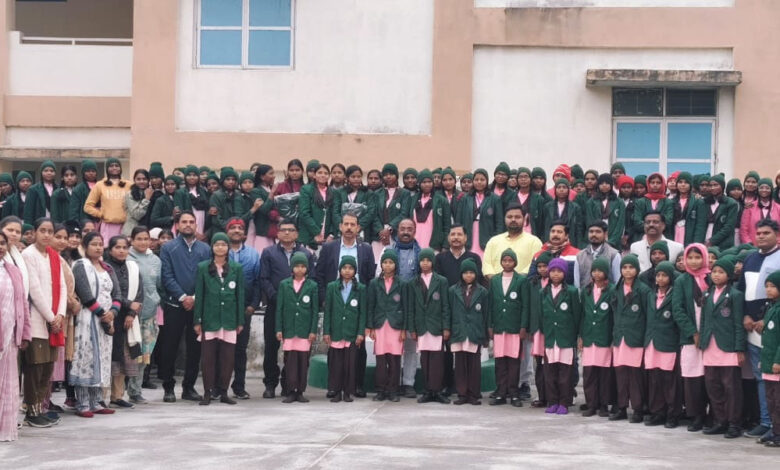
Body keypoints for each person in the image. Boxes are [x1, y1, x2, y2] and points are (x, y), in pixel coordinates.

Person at [316, 212, 375, 398]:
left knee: (358, 348)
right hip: (335, 302)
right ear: (340, 226)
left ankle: (356, 385)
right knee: (335, 349)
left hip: (357, 303)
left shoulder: (366, 249)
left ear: (358, 228)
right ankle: (334, 386)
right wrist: (325, 299)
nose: (349, 228)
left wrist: (366, 303)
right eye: (346, 224)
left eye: (353, 224)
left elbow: (370, 277)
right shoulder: (329, 248)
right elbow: (319, 274)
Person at [158, 211, 211, 403]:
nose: (188, 225)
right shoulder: (168, 247)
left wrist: (195, 297)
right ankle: (168, 387)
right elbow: (166, 275)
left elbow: (207, 276)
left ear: (196, 225)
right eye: (184, 222)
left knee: (195, 348)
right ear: (177, 225)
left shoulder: (205, 249)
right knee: (169, 347)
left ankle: (189, 387)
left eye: (191, 221)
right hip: (174, 304)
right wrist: (182, 297)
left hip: (197, 305)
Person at [259, 219, 315, 399]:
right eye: (283, 230)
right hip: (275, 307)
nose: (287, 233)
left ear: (297, 233)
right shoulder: (269, 253)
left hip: (300, 310)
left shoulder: (306, 254)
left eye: (291, 230)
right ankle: (270, 384)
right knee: (271, 347)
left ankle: (289, 384)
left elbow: (312, 279)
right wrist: (277, 297)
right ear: (277, 233)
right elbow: (264, 279)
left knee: (295, 349)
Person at [69, 232, 121, 418]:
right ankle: (83, 403)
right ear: (85, 246)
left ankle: (97, 401)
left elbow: (117, 294)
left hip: (106, 320)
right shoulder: (80, 265)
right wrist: (102, 313)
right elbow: (85, 294)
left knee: (103, 358)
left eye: (100, 244)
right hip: (88, 318)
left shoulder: (107, 267)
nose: (98, 248)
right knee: (86, 358)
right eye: (94, 244)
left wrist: (113, 313)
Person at [21, 218, 66, 427]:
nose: (47, 235)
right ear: (34, 233)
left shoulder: (54, 256)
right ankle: (31, 411)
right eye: (43, 231)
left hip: (55, 321)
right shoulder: (29, 255)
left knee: (48, 367)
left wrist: (61, 315)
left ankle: (40, 408)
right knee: (35, 367)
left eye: (50, 231)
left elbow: (63, 287)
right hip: (37, 320)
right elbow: (35, 290)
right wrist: (51, 317)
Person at [739, 219, 780, 440]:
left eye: (766, 233)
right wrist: (746, 315)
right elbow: (742, 290)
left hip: (773, 326)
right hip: (751, 328)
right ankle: (766, 422)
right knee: (761, 376)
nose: (761, 236)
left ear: (777, 235)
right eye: (759, 233)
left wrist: (767, 317)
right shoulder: (750, 258)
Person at [194, 232, 245, 406]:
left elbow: (240, 296)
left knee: (227, 358)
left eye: (224, 244)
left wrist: (240, 321)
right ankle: (208, 392)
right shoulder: (203, 267)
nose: (220, 247)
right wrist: (197, 320)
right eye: (217, 244)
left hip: (229, 319)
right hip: (210, 319)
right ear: (212, 247)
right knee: (208, 358)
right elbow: (199, 295)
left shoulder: (236, 268)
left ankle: (224, 391)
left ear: (228, 247)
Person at [700, 257, 745, 438]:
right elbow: (703, 320)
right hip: (710, 346)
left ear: (729, 275)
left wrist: (739, 348)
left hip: (728, 346)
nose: (716, 275)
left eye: (721, 272)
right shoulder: (707, 294)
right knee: (713, 386)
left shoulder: (735, 295)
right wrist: (702, 342)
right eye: (714, 272)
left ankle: (734, 423)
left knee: (731, 387)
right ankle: (720, 421)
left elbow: (738, 324)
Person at [610, 254, 652, 423]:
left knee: (635, 376)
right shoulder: (617, 288)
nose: (627, 271)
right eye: (624, 268)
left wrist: (646, 339)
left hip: (635, 338)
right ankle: (621, 407)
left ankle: (637, 409)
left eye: (631, 267)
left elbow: (648, 316)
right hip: (619, 338)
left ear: (637, 270)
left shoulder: (643, 290)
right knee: (621, 375)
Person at [672, 243, 710, 432]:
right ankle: (696, 415)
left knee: (710, 377)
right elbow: (677, 310)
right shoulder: (681, 281)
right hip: (690, 338)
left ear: (705, 258)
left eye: (698, 257)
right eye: (690, 258)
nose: (694, 261)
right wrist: (692, 332)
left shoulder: (711, 278)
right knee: (692, 377)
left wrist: (706, 333)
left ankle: (714, 414)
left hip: (711, 336)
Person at [104, 235, 144, 409]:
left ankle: (117, 396)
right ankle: (101, 396)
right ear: (110, 249)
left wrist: (132, 313)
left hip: (127, 320)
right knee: (109, 356)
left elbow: (140, 293)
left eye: (125, 248)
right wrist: (128, 305)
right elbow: (111, 293)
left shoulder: (133, 267)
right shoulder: (105, 267)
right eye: (117, 247)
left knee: (124, 358)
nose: (121, 251)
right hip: (109, 316)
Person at [407, 248, 451, 404]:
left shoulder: (441, 281)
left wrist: (446, 327)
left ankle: (437, 391)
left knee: (437, 360)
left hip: (436, 326)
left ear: (433, 262)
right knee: (424, 359)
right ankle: (428, 391)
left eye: (428, 260)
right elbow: (411, 308)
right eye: (422, 260)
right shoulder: (413, 283)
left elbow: (445, 305)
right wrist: (412, 329)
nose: (425, 263)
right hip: (421, 326)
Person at [225, 218, 261, 400]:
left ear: (245, 233)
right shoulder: (218, 251)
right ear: (227, 232)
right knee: (222, 349)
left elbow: (257, 282)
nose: (237, 231)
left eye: (240, 228)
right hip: (222, 309)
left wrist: (253, 305)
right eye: (233, 228)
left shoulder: (253, 254)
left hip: (244, 308)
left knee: (240, 350)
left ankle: (239, 386)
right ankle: (219, 386)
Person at [276, 252, 318, 404]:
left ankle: (300, 391)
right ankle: (290, 390)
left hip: (304, 331)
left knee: (303, 361)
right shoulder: (284, 284)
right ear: (292, 268)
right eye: (296, 266)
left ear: (307, 268)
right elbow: (280, 308)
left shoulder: (312, 286)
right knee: (290, 362)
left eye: (302, 266)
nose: (300, 269)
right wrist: (279, 329)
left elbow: (314, 310)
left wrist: (312, 330)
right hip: (289, 329)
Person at [643, 261, 682, 428]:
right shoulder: (651, 295)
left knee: (670, 381)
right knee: (654, 379)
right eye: (658, 275)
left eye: (664, 275)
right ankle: (657, 412)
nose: (660, 278)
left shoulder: (675, 295)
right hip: (652, 342)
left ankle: (672, 414)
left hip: (668, 343)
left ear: (671, 277)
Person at [0, 231, 30, 441]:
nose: (0, 247)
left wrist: (25, 332)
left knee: (7, 383)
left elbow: (23, 303)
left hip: (10, 337)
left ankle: (4, 428)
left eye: (2, 243)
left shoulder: (13, 271)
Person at [541, 257, 581, 415]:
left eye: (559, 271)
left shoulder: (571, 292)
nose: (556, 274)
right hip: (550, 337)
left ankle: (564, 402)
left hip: (566, 338)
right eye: (553, 271)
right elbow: (541, 316)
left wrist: (576, 336)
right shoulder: (543, 292)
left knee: (565, 373)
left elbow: (576, 316)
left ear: (564, 273)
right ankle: (552, 401)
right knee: (550, 372)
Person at [323, 256, 366, 403]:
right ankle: (336, 391)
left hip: (352, 332)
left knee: (350, 364)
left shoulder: (360, 289)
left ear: (355, 271)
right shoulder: (332, 287)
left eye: (351, 268)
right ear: (340, 270)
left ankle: (348, 392)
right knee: (336, 364)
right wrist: (326, 331)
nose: (347, 271)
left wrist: (360, 333)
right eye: (344, 268)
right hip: (336, 331)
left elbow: (362, 313)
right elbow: (328, 311)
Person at [127, 226, 161, 405]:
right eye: (139, 239)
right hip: (130, 315)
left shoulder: (155, 260)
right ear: (132, 240)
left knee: (143, 355)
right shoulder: (127, 257)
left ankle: (135, 390)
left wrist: (156, 299)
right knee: (128, 354)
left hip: (149, 314)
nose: (143, 242)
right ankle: (117, 392)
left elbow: (158, 284)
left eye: (146, 239)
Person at [487, 249, 525, 407]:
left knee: (514, 361)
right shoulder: (495, 280)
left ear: (515, 262)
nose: (507, 263)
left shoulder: (521, 280)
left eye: (510, 260)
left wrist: (523, 326)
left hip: (514, 328)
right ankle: (501, 392)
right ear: (501, 262)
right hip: (499, 327)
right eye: (505, 260)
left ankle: (514, 393)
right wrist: (490, 325)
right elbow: (490, 304)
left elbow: (525, 306)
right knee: (500, 361)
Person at [367, 250, 406, 402]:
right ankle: (380, 390)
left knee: (394, 360)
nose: (388, 265)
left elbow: (405, 306)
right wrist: (370, 327)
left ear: (396, 265)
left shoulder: (402, 284)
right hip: (380, 325)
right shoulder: (374, 283)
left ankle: (393, 390)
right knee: (381, 359)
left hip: (396, 326)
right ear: (381, 265)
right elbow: (371, 306)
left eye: (391, 262)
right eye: (385, 262)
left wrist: (404, 329)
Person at [448, 259, 488, 406]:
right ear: (461, 274)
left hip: (475, 331)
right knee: (459, 364)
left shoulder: (482, 292)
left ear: (476, 274)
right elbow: (449, 311)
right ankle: (462, 393)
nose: (468, 275)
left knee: (474, 364)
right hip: (458, 331)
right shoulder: (453, 290)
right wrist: (449, 329)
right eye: (465, 272)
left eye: (471, 272)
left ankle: (474, 394)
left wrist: (485, 335)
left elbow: (486, 314)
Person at [578, 258, 614, 418]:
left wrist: (613, 337)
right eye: (594, 270)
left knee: (604, 373)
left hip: (604, 337)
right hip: (589, 336)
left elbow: (614, 316)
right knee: (589, 373)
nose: (597, 273)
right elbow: (582, 315)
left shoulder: (612, 290)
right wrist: (581, 336)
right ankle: (591, 404)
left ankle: (604, 405)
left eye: (600, 270)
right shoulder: (586, 291)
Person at [454, 168, 505, 259]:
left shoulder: (495, 199)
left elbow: (499, 222)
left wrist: (497, 240)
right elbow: (458, 220)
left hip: (487, 237)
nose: (479, 182)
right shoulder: (465, 198)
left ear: (487, 181)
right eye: (476, 179)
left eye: (482, 180)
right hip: (469, 237)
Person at [482, 203, 543, 277]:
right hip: (495, 283)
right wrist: (496, 281)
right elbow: (487, 265)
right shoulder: (493, 241)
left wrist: (516, 281)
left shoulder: (534, 242)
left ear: (524, 219)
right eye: (509, 217)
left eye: (517, 217)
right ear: (504, 219)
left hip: (524, 283)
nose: (513, 220)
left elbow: (534, 265)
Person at [84, 158, 131, 245]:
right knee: (107, 249)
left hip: (125, 226)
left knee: (123, 249)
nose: (114, 168)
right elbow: (87, 206)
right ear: (107, 169)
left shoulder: (129, 185)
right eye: (111, 166)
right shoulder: (100, 185)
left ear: (120, 168)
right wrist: (101, 214)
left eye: (117, 166)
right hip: (107, 225)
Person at [371, 163, 411, 263]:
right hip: (379, 236)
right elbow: (374, 214)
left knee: (393, 262)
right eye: (385, 175)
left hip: (395, 234)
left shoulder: (404, 193)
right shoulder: (377, 193)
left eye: (391, 174)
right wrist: (381, 231)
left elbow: (404, 214)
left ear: (396, 176)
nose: (388, 177)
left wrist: (389, 229)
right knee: (377, 262)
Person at [527, 251, 552, 408]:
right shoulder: (533, 284)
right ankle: (542, 396)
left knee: (551, 364)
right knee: (540, 364)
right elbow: (528, 306)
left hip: (551, 330)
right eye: (540, 266)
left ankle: (552, 396)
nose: (542, 269)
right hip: (537, 330)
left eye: (545, 266)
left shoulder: (556, 284)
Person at [759, 271, 780, 447]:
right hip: (768, 362)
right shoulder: (771, 307)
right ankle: (775, 430)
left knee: (778, 401)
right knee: (771, 401)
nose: (768, 290)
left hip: (776, 364)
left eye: (773, 286)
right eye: (766, 286)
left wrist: (778, 361)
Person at [410, 169, 451, 251]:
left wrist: (445, 246)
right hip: (414, 244)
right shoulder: (413, 199)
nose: (427, 184)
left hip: (434, 245)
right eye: (424, 182)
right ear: (419, 183)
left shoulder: (441, 200)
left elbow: (447, 225)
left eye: (429, 182)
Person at [573, 221, 622, 289]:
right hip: (585, 295)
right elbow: (577, 284)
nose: (594, 234)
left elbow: (618, 282)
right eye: (591, 231)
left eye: (598, 232)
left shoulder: (614, 255)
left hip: (607, 295)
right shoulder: (580, 255)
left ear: (605, 234)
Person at [298, 162, 334, 250]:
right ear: (314, 175)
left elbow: (334, 214)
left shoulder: (333, 192)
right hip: (309, 236)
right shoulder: (306, 189)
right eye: (320, 173)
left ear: (329, 176)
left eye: (326, 173)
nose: (323, 175)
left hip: (327, 238)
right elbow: (304, 213)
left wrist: (331, 234)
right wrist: (317, 232)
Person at [542, 179, 585, 249]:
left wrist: (579, 246)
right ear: (555, 190)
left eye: (564, 187)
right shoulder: (547, 207)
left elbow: (579, 229)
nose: (561, 190)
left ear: (568, 190)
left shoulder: (575, 207)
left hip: (570, 242)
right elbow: (543, 227)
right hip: (551, 242)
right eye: (559, 187)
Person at [632, 173, 674, 241]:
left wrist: (651, 227)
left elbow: (668, 221)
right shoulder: (640, 202)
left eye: (658, 183)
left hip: (663, 237)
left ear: (663, 184)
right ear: (648, 184)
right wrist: (653, 227)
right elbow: (637, 221)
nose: (655, 185)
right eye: (652, 182)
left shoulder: (668, 202)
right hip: (642, 237)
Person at [704, 174, 739, 251]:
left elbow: (728, 227)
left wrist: (712, 241)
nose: (712, 188)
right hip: (705, 240)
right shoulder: (704, 202)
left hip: (723, 244)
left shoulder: (731, 203)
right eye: (710, 185)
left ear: (722, 186)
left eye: (716, 185)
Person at [174, 165, 210, 238]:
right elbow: (180, 213)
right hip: (188, 225)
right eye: (189, 175)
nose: (192, 177)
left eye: (194, 175)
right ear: (185, 177)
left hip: (202, 224)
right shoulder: (180, 192)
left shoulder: (203, 191)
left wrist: (205, 234)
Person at [740, 178, 780, 245]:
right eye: (761, 187)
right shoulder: (750, 207)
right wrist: (749, 244)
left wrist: (778, 244)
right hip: (753, 246)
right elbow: (744, 229)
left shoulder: (778, 208)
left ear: (771, 190)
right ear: (758, 189)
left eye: (767, 188)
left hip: (775, 246)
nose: (764, 190)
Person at [247, 164, 276, 253]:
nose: (274, 176)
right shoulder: (256, 191)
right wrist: (271, 194)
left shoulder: (270, 189)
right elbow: (264, 210)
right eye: (271, 173)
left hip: (274, 231)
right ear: (262, 177)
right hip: (263, 232)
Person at [671, 172, 706, 245]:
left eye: (686, 182)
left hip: (690, 236)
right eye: (680, 182)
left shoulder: (698, 202)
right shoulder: (671, 201)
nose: (683, 185)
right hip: (674, 234)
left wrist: (696, 244)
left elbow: (700, 226)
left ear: (690, 185)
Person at [511, 167, 544, 237]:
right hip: (513, 234)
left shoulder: (538, 199)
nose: (523, 179)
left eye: (526, 177)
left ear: (530, 179)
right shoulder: (510, 197)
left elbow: (541, 222)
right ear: (517, 179)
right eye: (521, 177)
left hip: (531, 235)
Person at [23, 160, 57, 225]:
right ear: (41, 172)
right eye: (46, 171)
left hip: (55, 224)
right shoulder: (33, 189)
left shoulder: (58, 189)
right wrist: (29, 227)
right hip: (38, 223)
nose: (49, 173)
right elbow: (28, 212)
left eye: (51, 171)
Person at [208, 167, 242, 233]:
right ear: (222, 181)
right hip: (220, 232)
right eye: (228, 179)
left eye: (233, 179)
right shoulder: (216, 195)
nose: (231, 182)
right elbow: (216, 219)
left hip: (236, 231)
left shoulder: (238, 194)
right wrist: (230, 227)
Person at [122, 169, 154, 236]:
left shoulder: (151, 192)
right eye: (138, 179)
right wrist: (146, 199)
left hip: (148, 231)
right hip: (131, 232)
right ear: (134, 180)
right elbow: (137, 215)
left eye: (144, 179)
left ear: (148, 180)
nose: (141, 181)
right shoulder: (130, 194)